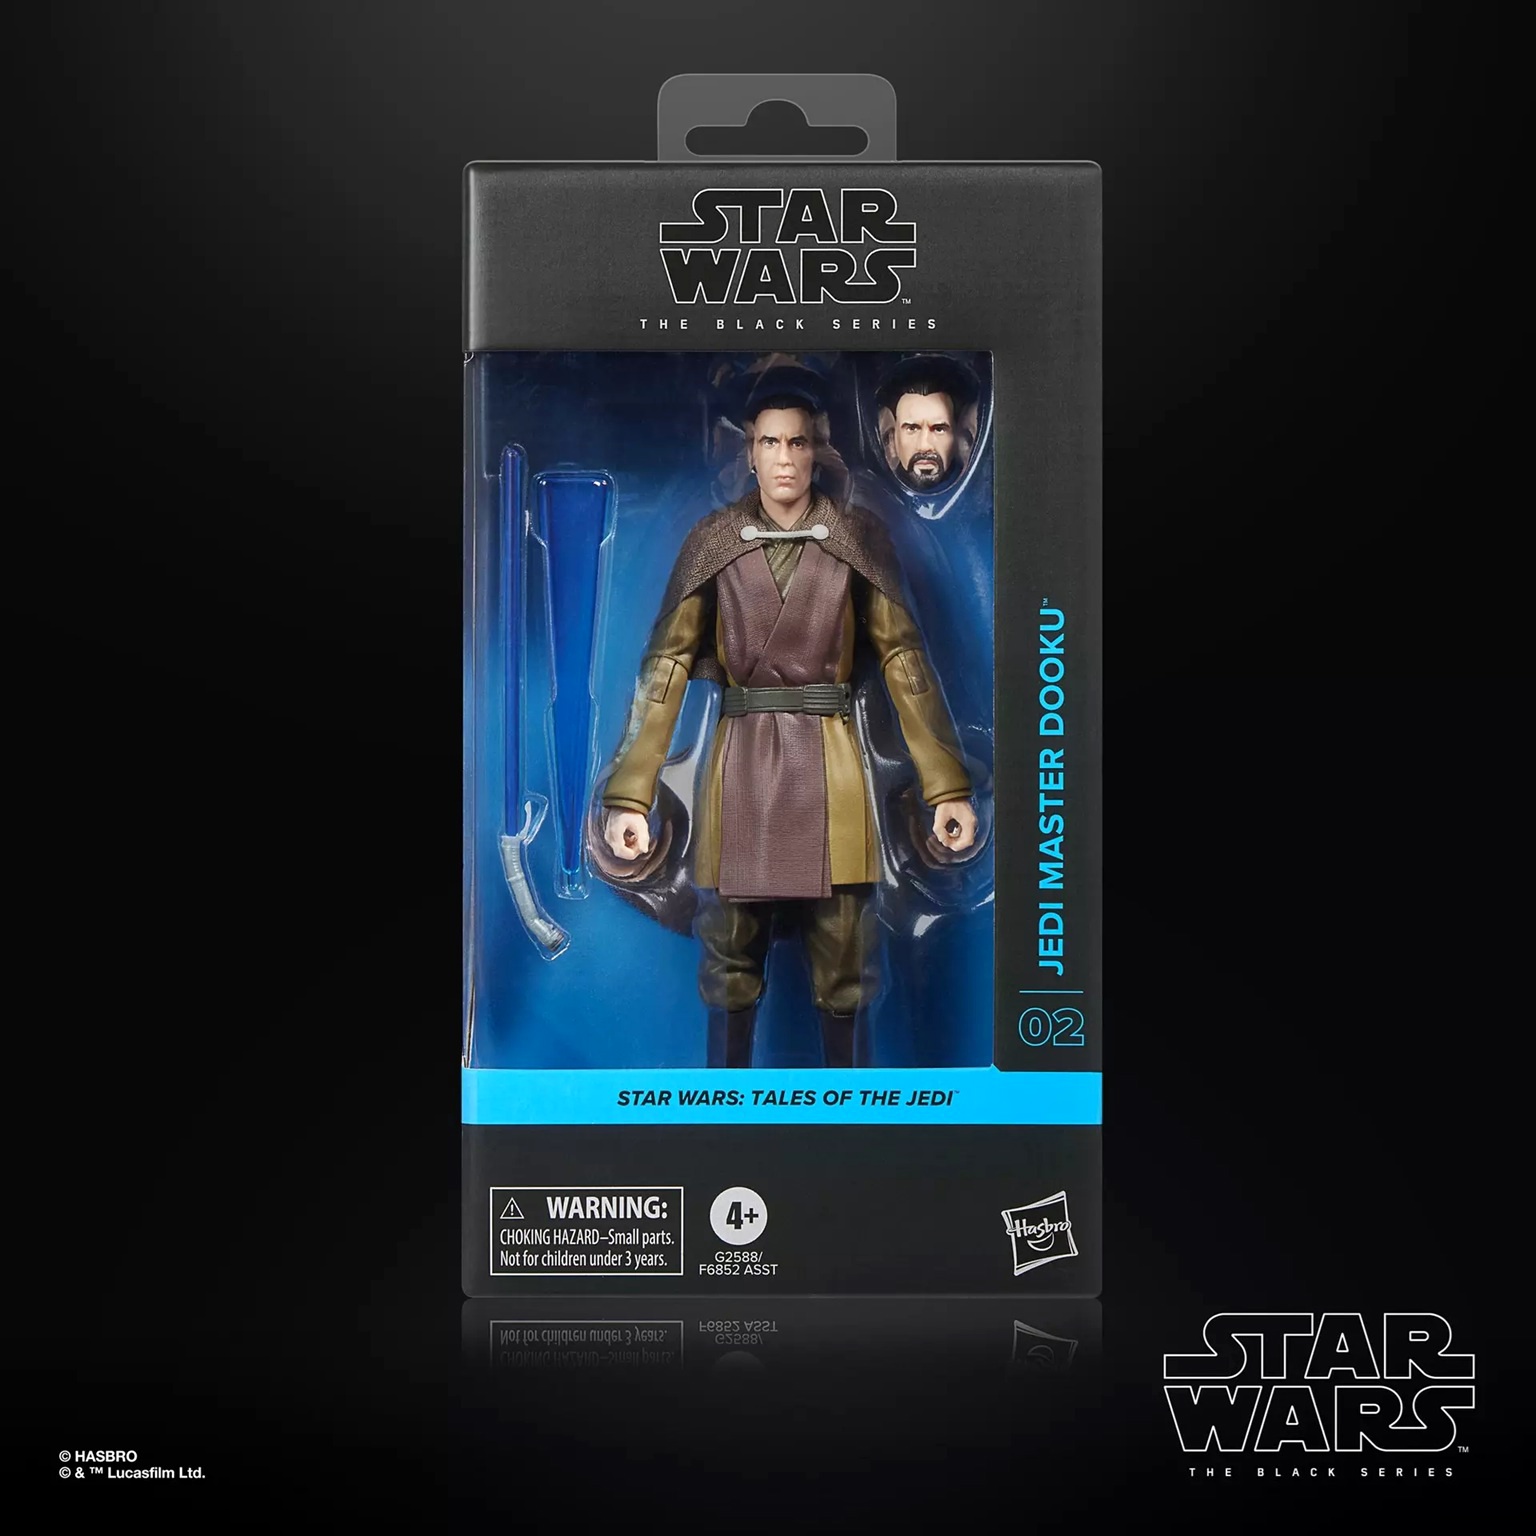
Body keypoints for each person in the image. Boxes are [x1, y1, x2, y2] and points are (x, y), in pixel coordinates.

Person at [594, 389, 977, 1068]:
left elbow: (904, 660)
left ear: (817, 451)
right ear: (749, 452)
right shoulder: (713, 541)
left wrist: (945, 787)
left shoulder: (855, 538)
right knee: (729, 957)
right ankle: (724, 1106)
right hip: (740, 768)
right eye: (770, 442)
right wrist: (631, 794)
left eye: (798, 442)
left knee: (846, 956)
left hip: (833, 768)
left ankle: (850, 1109)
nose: (784, 458)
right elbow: (666, 667)